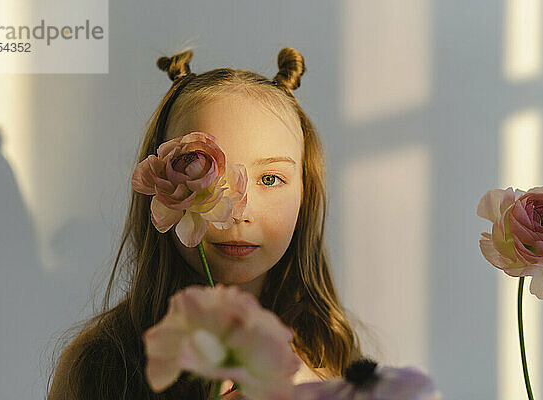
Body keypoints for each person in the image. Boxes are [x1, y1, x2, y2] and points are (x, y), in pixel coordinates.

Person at [47, 47, 362, 400]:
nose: (239, 212)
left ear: (306, 193)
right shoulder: (100, 366)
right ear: (160, 186)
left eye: (270, 179)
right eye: (211, 176)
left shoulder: (331, 359)